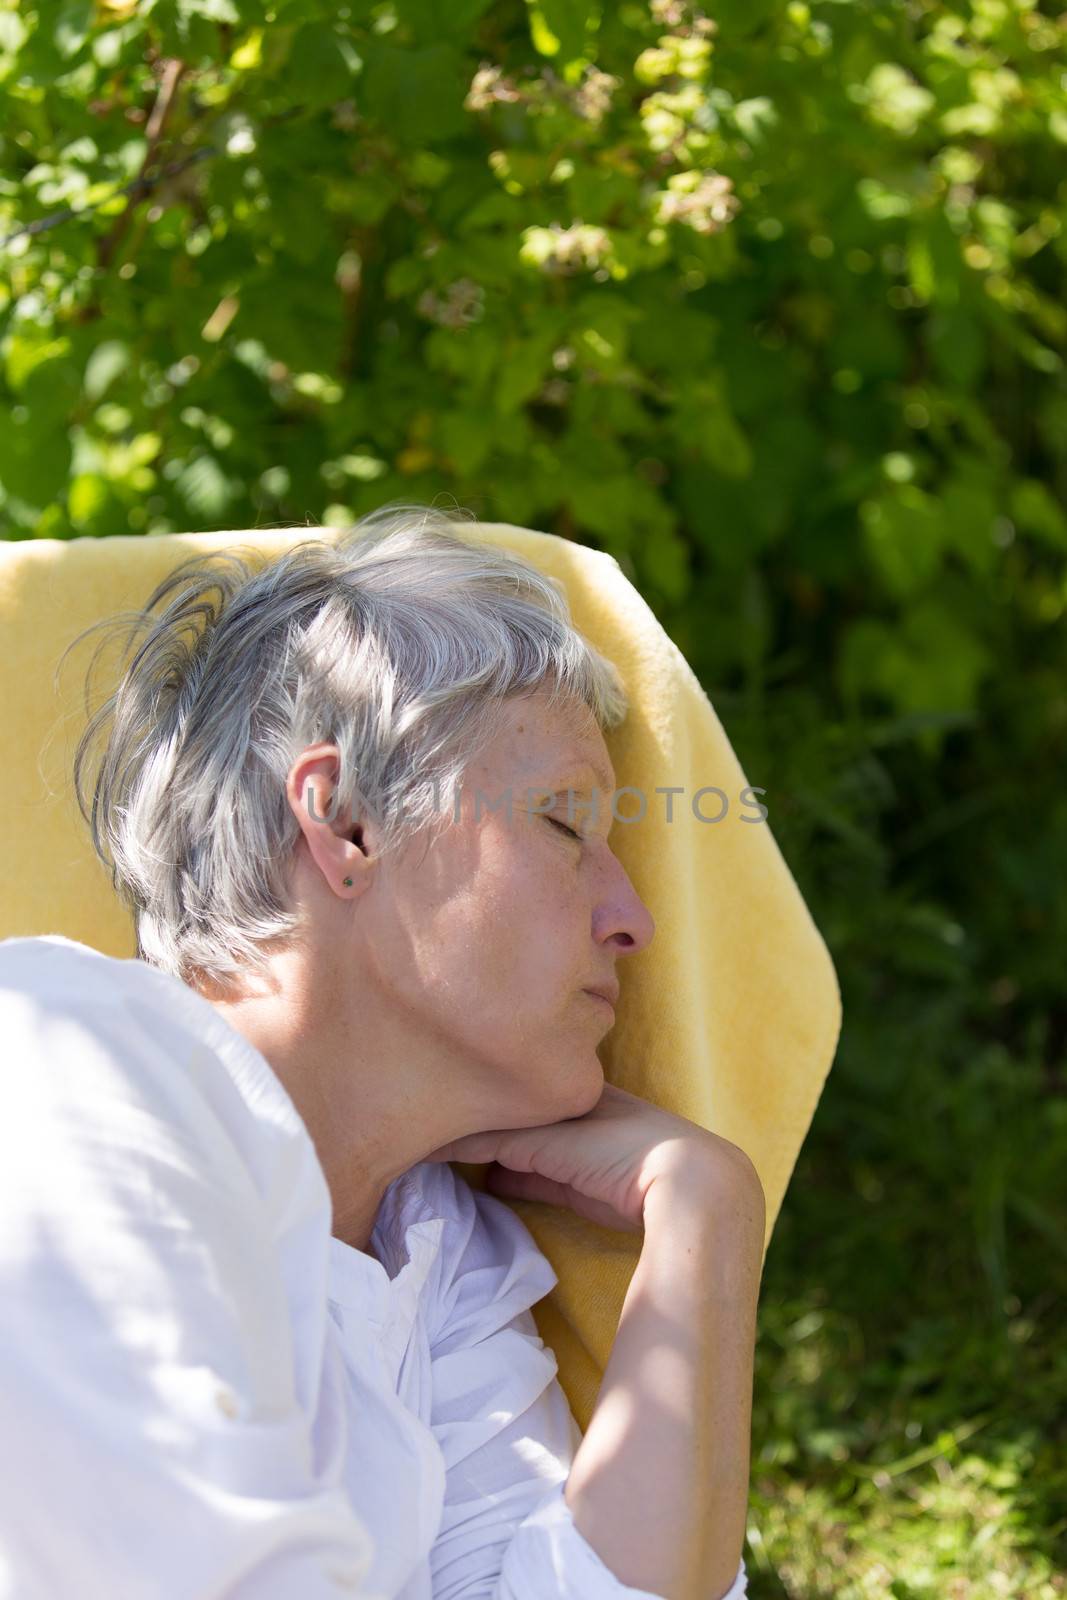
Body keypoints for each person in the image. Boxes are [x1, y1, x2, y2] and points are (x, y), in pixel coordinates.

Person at [0, 503, 766, 1599]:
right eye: (562, 821)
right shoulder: (69, 1064)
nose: (631, 917)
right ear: (346, 822)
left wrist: (704, 1213)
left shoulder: (431, 1261)